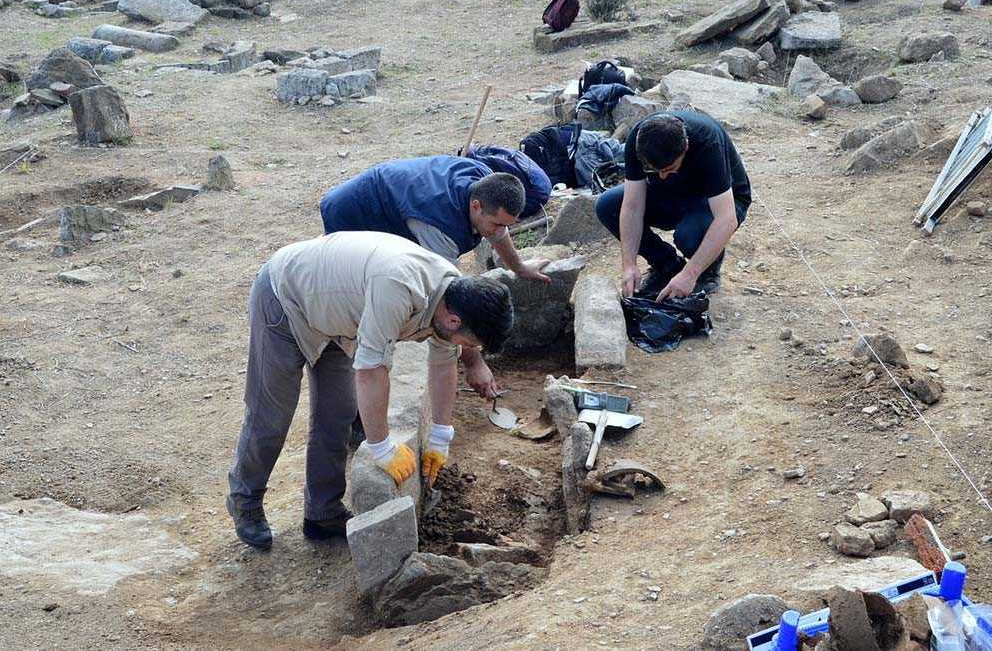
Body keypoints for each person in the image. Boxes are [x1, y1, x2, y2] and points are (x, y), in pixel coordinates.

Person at [226, 231, 513, 550]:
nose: (468, 350)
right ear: (454, 319)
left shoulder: (456, 291)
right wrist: (382, 447)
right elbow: (371, 371)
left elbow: (444, 362)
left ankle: (322, 512)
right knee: (272, 414)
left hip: (340, 320)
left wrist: (441, 436)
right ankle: (245, 499)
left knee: (337, 415)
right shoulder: (398, 288)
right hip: (286, 300)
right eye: (470, 343)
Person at [320, 155, 549, 399]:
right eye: (496, 223)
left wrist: (519, 267)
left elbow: (496, 232)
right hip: (355, 212)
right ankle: (357, 395)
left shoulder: (484, 181)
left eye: (507, 224)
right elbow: (452, 300)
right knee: (366, 308)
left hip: (395, 198)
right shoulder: (440, 229)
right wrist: (474, 363)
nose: (500, 230)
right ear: (475, 206)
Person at [594, 111, 751, 301]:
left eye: (669, 169)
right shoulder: (639, 140)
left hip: (722, 199)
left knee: (689, 235)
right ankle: (667, 265)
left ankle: (706, 273)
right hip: (673, 193)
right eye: (653, 170)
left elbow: (726, 219)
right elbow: (632, 206)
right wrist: (629, 265)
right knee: (608, 206)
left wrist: (690, 274)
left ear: (685, 147)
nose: (660, 175)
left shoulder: (707, 140)